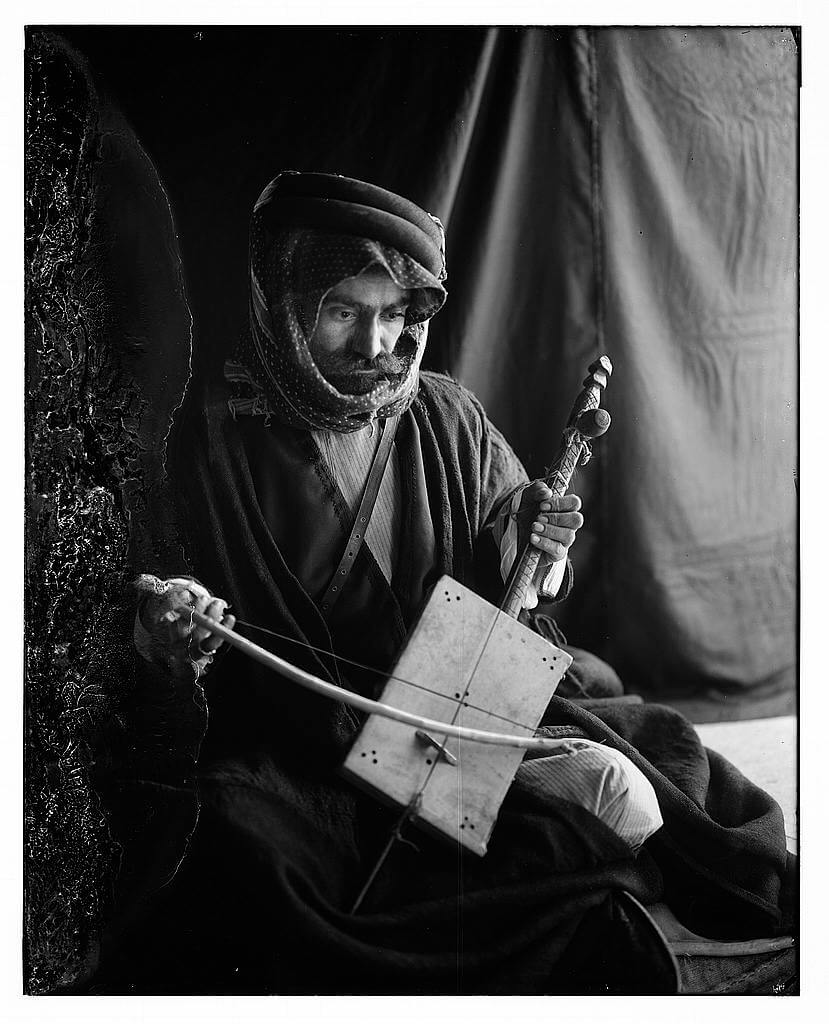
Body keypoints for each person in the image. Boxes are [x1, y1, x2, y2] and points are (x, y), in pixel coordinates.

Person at [90, 173, 793, 995]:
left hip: (464, 705)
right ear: (281, 302)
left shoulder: (447, 415)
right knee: (243, 845)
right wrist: (178, 626)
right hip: (300, 733)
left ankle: (656, 927)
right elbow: (160, 579)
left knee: (651, 773)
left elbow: (517, 560)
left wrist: (535, 544)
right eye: (343, 311)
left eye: (394, 315)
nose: (374, 344)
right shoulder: (207, 436)